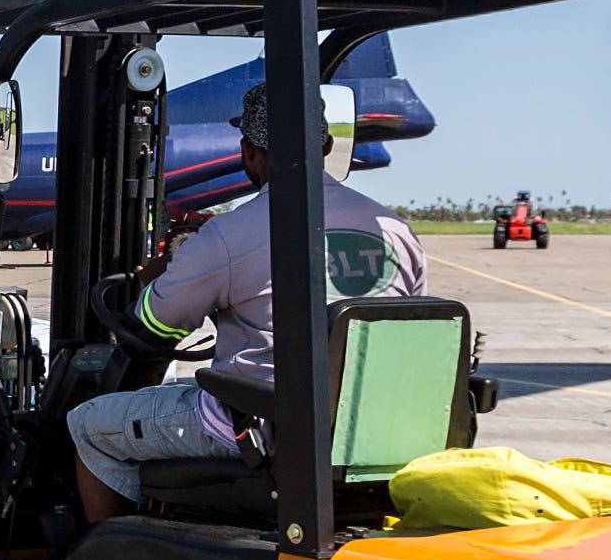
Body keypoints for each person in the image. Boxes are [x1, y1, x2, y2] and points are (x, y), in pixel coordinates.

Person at [64, 83, 426, 525]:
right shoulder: (397, 233)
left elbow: (155, 327)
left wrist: (158, 281)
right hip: (368, 431)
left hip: (263, 429)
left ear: (248, 153)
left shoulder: (229, 236)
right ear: (327, 145)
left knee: (89, 425)